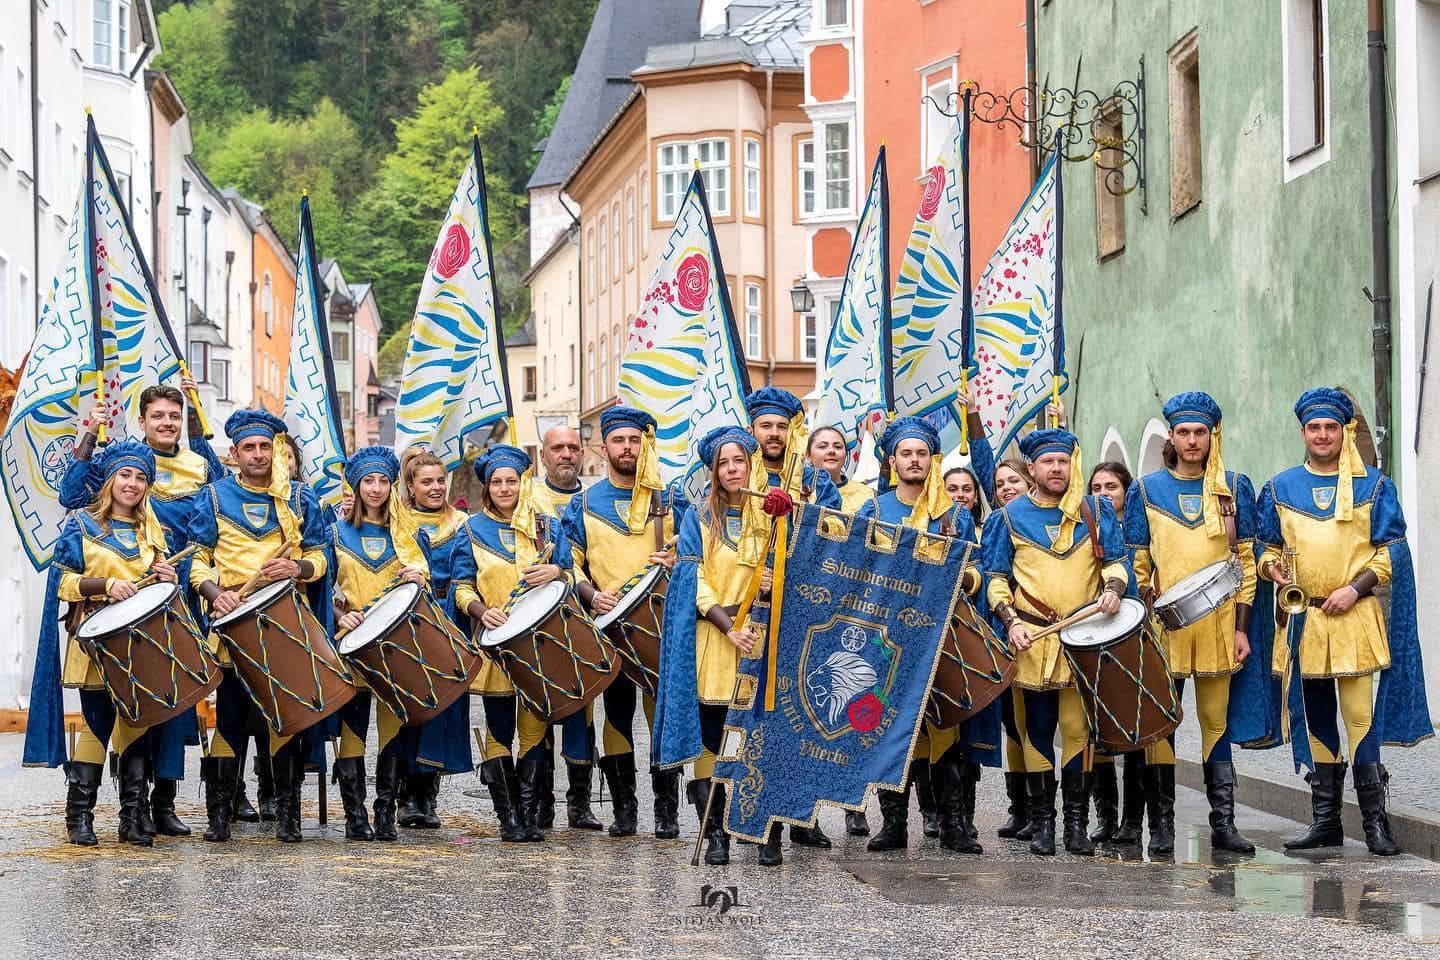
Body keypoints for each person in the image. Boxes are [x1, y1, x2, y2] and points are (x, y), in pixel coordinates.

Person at [1257, 388, 1430, 856]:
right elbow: (1265, 547)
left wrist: (1354, 587)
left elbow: (1391, 553)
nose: (1323, 435)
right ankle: (1326, 821)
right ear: (1303, 433)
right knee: (1315, 717)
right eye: (1315, 428)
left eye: (1331, 427)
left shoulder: (1374, 486)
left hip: (1354, 614)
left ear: (1344, 431)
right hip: (1304, 618)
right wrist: (1271, 567)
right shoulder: (1278, 487)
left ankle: (1376, 823)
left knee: (1359, 717)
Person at [55, 378, 224, 838]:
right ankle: (94, 814)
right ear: (142, 420)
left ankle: (155, 807)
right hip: (109, 623)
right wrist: (92, 430)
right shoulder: (95, 507)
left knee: (169, 711)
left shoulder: (196, 469)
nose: (167, 422)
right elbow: (71, 495)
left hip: (172, 601)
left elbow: (220, 512)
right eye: (158, 415)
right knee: (106, 718)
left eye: (175, 415)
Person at [1126, 396, 1266, 856]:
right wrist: (1148, 608)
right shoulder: (1145, 491)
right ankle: (1162, 825)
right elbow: (1138, 563)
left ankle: (1223, 825)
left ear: (1212, 436)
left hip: (1221, 627)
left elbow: (1244, 562)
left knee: (1214, 722)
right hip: (1165, 629)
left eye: (1200, 433)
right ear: (1172, 437)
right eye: (1184, 433)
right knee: (1162, 724)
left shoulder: (1234, 488)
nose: (1192, 441)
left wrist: (1243, 629)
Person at [982, 428, 1130, 856]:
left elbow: (1118, 564)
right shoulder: (1007, 518)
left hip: (1082, 640)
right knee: (1037, 732)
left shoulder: (1096, 511)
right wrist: (1010, 621)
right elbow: (995, 581)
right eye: (1048, 462)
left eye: (1063, 461)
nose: (1056, 469)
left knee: (1078, 731)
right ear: (1032, 469)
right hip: (1033, 641)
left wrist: (1114, 590)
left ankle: (1076, 825)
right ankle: (1043, 823)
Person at [187, 409, 331, 843]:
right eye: (248, 447)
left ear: (276, 450)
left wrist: (297, 567)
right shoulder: (213, 497)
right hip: (233, 621)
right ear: (233, 453)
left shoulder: (300, 499)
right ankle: (220, 815)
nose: (257, 454)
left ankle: (288, 815)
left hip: (285, 622)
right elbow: (197, 562)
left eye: (265, 446)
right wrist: (217, 594)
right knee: (230, 717)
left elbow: (324, 557)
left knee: (282, 715)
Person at [27, 442, 182, 845]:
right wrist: (105, 585)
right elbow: (61, 582)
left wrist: (167, 578)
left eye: (141, 477)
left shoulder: (154, 532)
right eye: (125, 475)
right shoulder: (81, 525)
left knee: (136, 723)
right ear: (110, 480)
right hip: (98, 644)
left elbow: (159, 592)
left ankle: (133, 817)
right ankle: (80, 817)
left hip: (143, 644)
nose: (132, 484)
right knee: (97, 725)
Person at [655, 426, 785, 866]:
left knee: (759, 738)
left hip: (762, 641)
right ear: (713, 470)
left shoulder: (772, 517)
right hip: (716, 638)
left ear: (751, 465)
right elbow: (694, 582)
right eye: (723, 463)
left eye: (739, 461)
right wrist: (729, 627)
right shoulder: (697, 517)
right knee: (713, 738)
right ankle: (716, 835)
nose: (732, 470)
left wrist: (774, 581)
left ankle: (765, 830)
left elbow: (800, 579)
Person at [855, 417, 984, 854]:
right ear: (892, 461)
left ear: (933, 460)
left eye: (922, 453)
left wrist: (966, 580)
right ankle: (894, 824)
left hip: (940, 639)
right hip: (885, 641)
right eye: (906, 453)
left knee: (943, 729)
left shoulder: (954, 516)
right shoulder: (872, 512)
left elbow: (975, 570)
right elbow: (855, 572)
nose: (914, 460)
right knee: (891, 731)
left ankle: (952, 823)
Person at [560, 407, 678, 838]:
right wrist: (592, 595)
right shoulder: (584, 504)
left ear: (645, 445)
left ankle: (667, 811)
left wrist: (677, 558)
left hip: (662, 628)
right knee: (617, 715)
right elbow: (567, 566)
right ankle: (625, 810)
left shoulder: (668, 500)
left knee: (661, 718)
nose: (627, 448)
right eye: (619, 440)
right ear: (603, 446)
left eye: (635, 440)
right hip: (609, 628)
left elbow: (697, 556)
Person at [453, 445, 571, 843]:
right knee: (500, 729)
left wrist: (556, 569)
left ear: (523, 484)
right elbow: (460, 587)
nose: (505, 488)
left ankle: (530, 811)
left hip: (540, 646)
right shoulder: (469, 530)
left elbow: (570, 576)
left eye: (512, 481)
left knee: (535, 729)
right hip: (496, 646)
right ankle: (509, 818)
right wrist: (480, 610)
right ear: (487, 487)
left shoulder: (547, 528)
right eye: (497, 482)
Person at [745, 387, 837, 849]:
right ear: (752, 430)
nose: (775, 434)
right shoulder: (734, 474)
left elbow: (836, 537)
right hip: (749, 613)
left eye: (782, 426)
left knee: (801, 712)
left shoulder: (815, 479)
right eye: (766, 426)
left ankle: (802, 815)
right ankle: (747, 811)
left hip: (803, 611)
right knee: (750, 713)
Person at [326, 447, 431, 841]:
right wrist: (340, 616)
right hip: (352, 645)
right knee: (353, 729)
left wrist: (419, 580)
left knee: (392, 729)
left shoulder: (409, 535)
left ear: (391, 486)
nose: (375, 488)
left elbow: (425, 591)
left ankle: (385, 812)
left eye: (383, 481)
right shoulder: (335, 533)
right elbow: (325, 590)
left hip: (396, 647)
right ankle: (355, 816)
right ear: (356, 486)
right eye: (367, 481)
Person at [394, 447, 474, 831]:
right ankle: (406, 796)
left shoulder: (462, 523)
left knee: (443, 712)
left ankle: (429, 795)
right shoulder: (397, 521)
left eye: (441, 480)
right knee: (413, 710)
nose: (436, 487)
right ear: (411, 486)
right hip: (410, 622)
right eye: (426, 482)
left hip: (450, 618)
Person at [532, 424, 601, 831]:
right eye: (557, 447)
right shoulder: (527, 499)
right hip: (537, 626)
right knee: (539, 711)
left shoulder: (592, 500)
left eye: (573, 447)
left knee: (581, 712)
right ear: (544, 455)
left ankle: (580, 803)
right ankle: (541, 803)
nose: (566, 454)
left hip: (581, 621)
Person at [1081, 460, 1145, 847]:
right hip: (1093, 635)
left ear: (1126, 492)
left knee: (1136, 728)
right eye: (1097, 487)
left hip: (1132, 634)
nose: (1104, 494)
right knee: (1095, 729)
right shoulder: (1087, 527)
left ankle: (1134, 821)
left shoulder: (1138, 531)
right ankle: (1105, 815)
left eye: (1112, 487)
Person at [990, 455, 1036, 842]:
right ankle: (1019, 807)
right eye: (1000, 483)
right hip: (1001, 630)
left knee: (1029, 724)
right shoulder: (996, 522)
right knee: (1012, 723)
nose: (1007, 488)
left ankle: (1038, 811)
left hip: (1036, 635)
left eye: (1014, 481)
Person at [807, 425, 874, 514]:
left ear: (846, 455)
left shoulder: (864, 494)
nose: (831, 451)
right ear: (808, 456)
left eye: (838, 447)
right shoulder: (795, 489)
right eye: (823, 446)